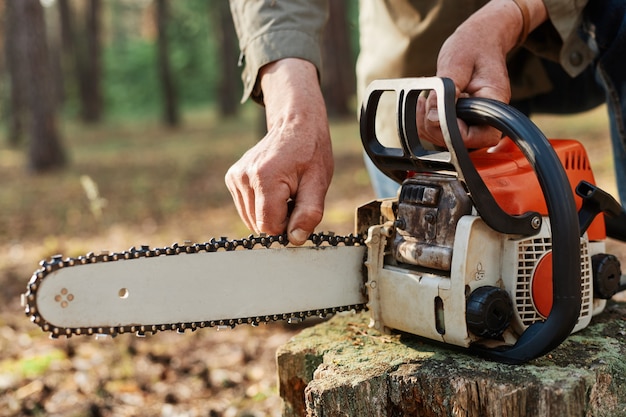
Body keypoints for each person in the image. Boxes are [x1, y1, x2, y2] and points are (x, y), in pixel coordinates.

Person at [225, 0, 626, 245]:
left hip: (570, 33)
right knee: (425, 242)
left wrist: (512, 15)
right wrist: (292, 110)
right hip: (421, 73)